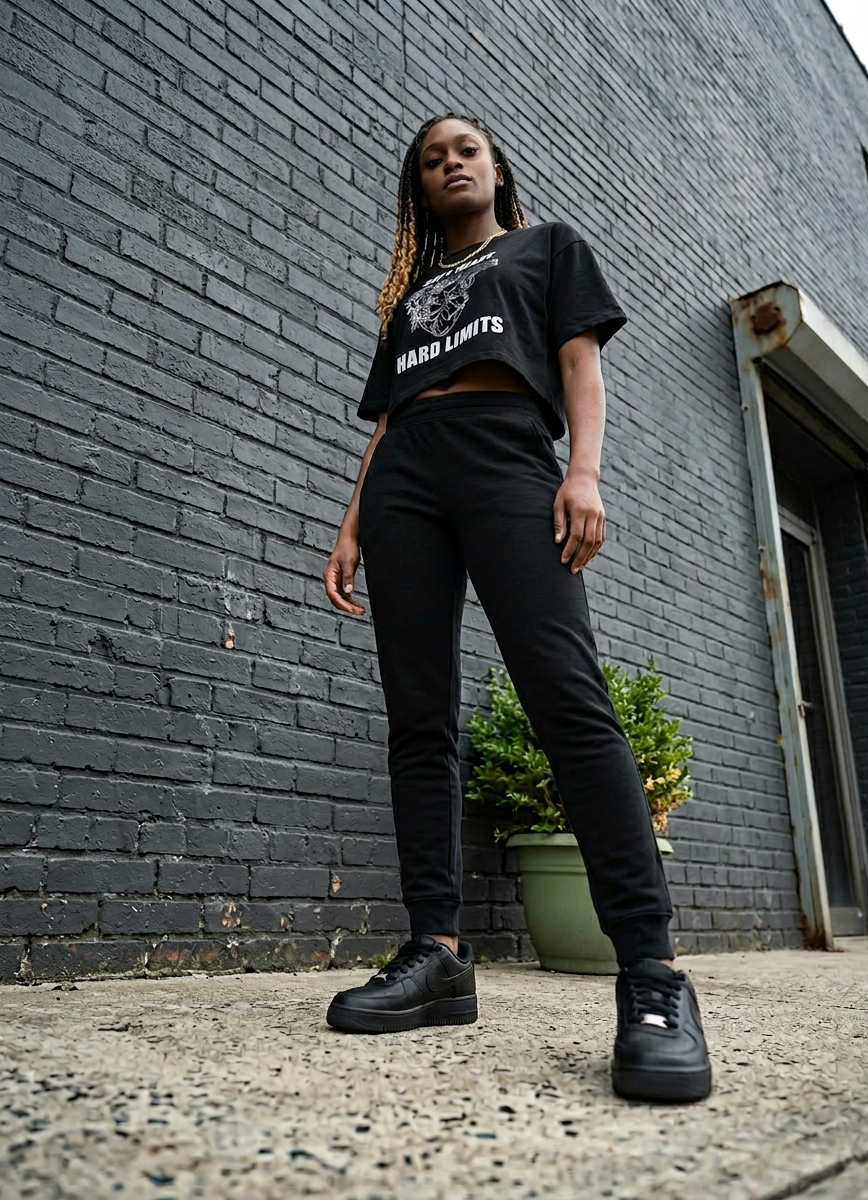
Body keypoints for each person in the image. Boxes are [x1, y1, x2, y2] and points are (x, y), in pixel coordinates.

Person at [322, 112, 712, 1103]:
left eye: (465, 150)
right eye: (430, 159)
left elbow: (580, 365)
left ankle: (653, 979)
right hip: (408, 474)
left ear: (497, 168)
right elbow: (392, 417)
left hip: (506, 453)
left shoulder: (546, 249)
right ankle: (437, 955)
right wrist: (353, 522)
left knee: (564, 698)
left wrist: (581, 473)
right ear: (418, 188)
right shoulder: (410, 295)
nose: (449, 162)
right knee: (418, 719)